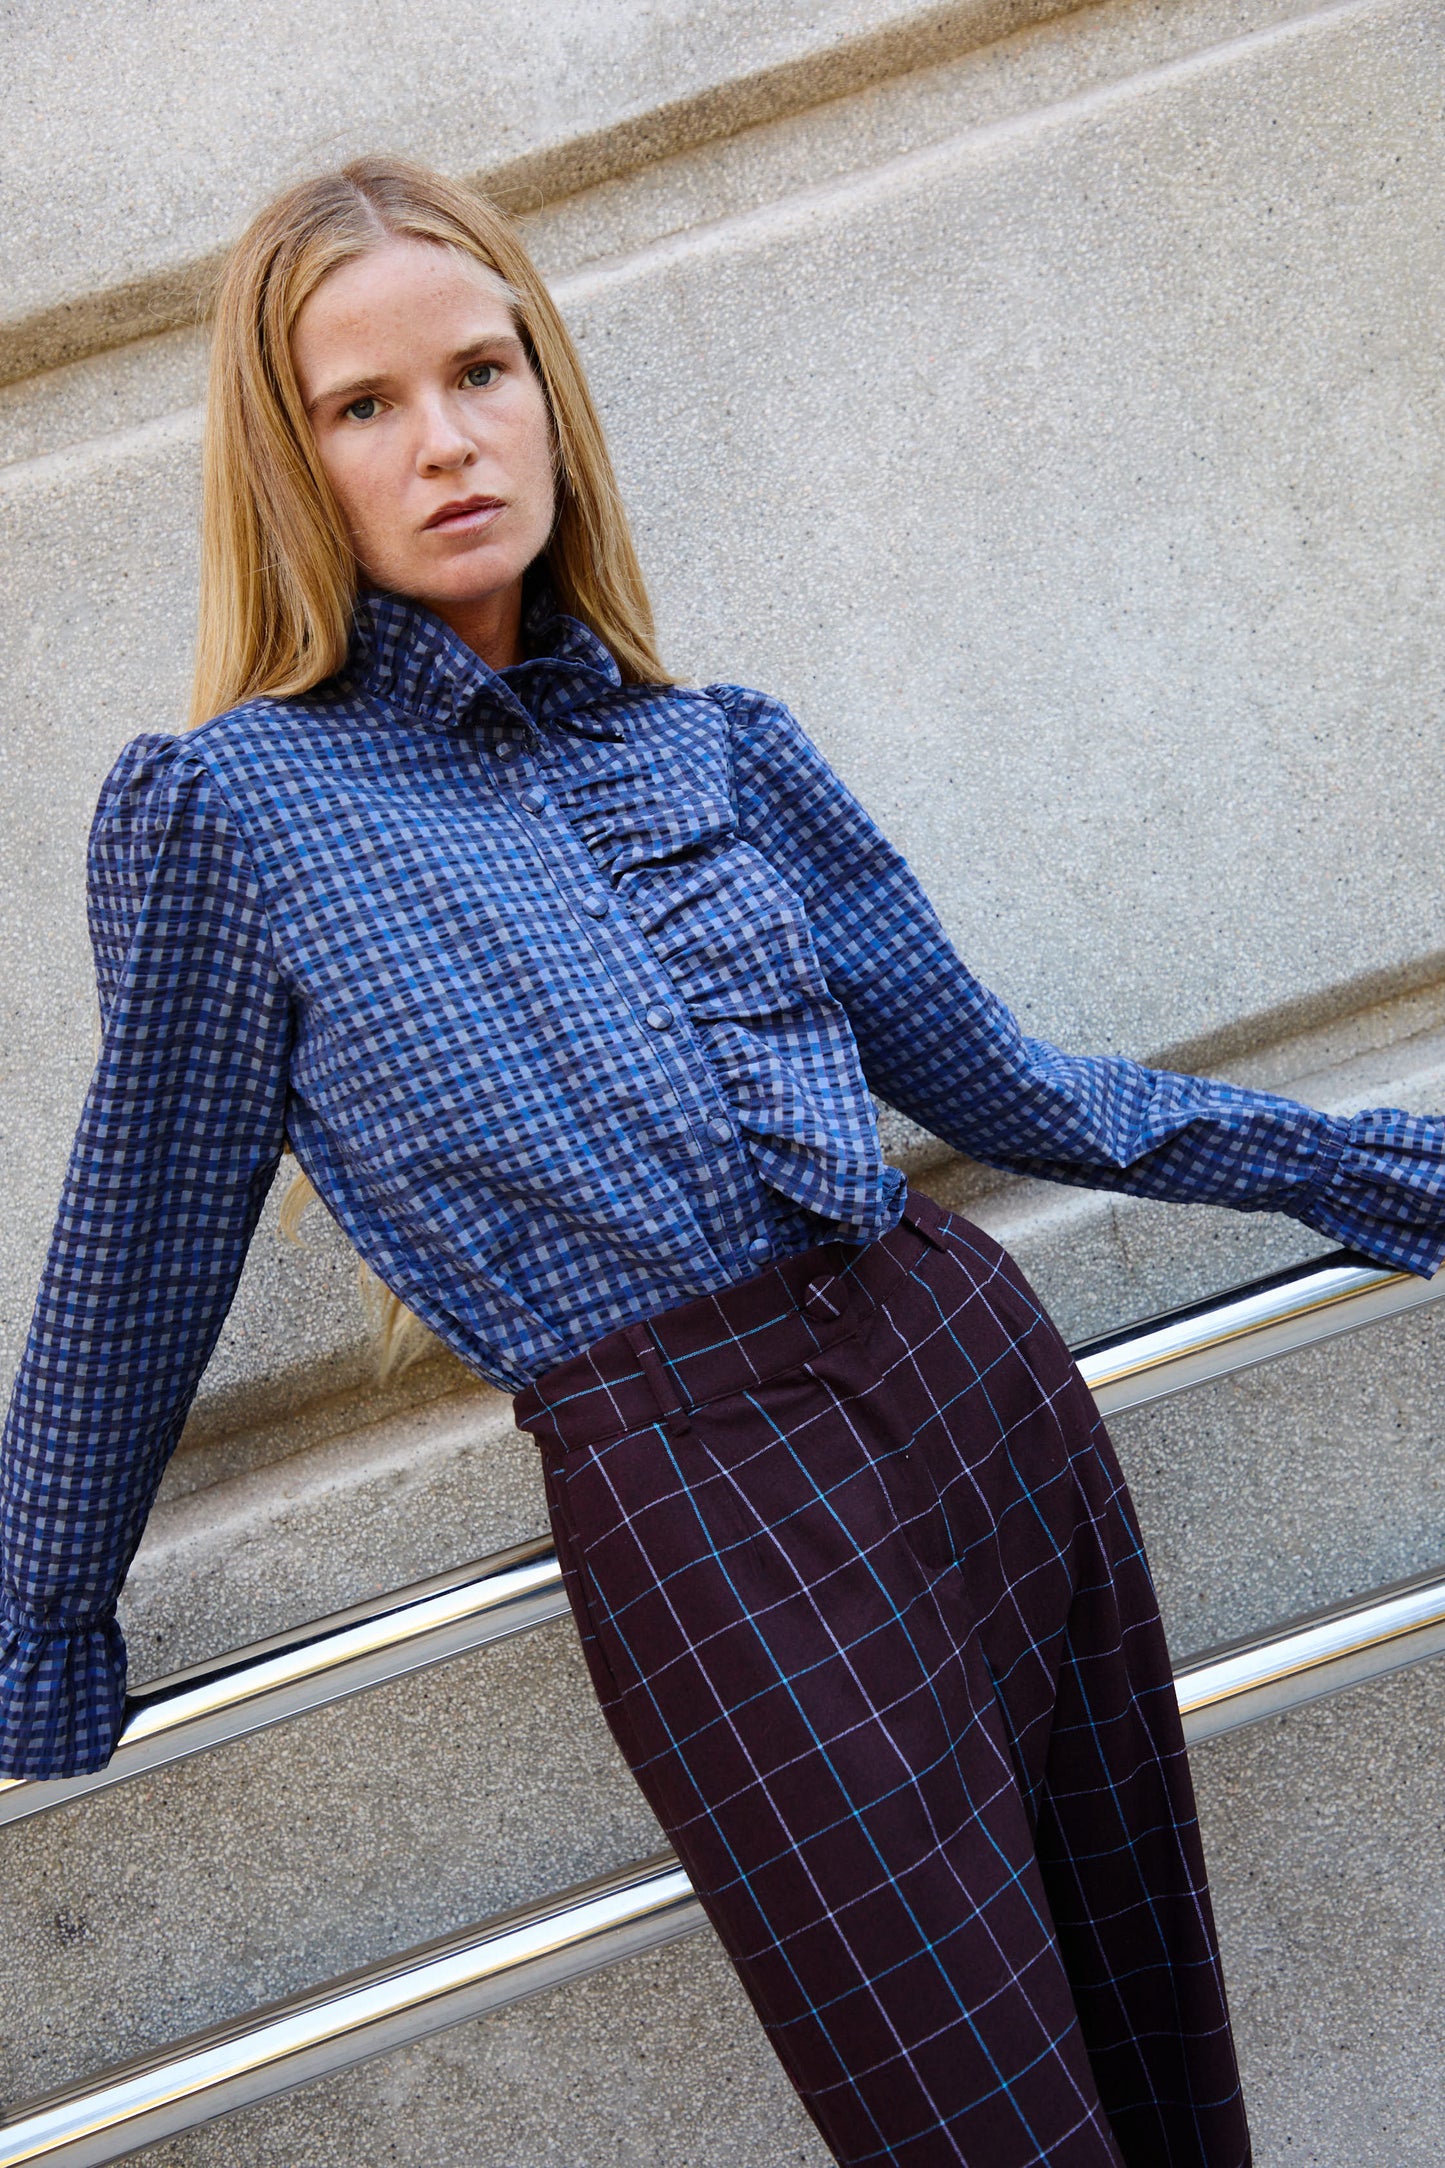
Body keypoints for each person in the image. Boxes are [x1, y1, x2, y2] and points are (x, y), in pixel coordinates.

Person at [2, 155, 1442, 2168]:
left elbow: (1016, 1089)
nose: (446, 441)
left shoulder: (720, 751)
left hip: (976, 1393)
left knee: (1166, 2087)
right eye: (363, 404)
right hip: (699, 1512)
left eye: (482, 371)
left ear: (549, 392)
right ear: (288, 460)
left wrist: (1382, 1169)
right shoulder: (229, 815)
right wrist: (31, 1622)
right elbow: (137, 1252)